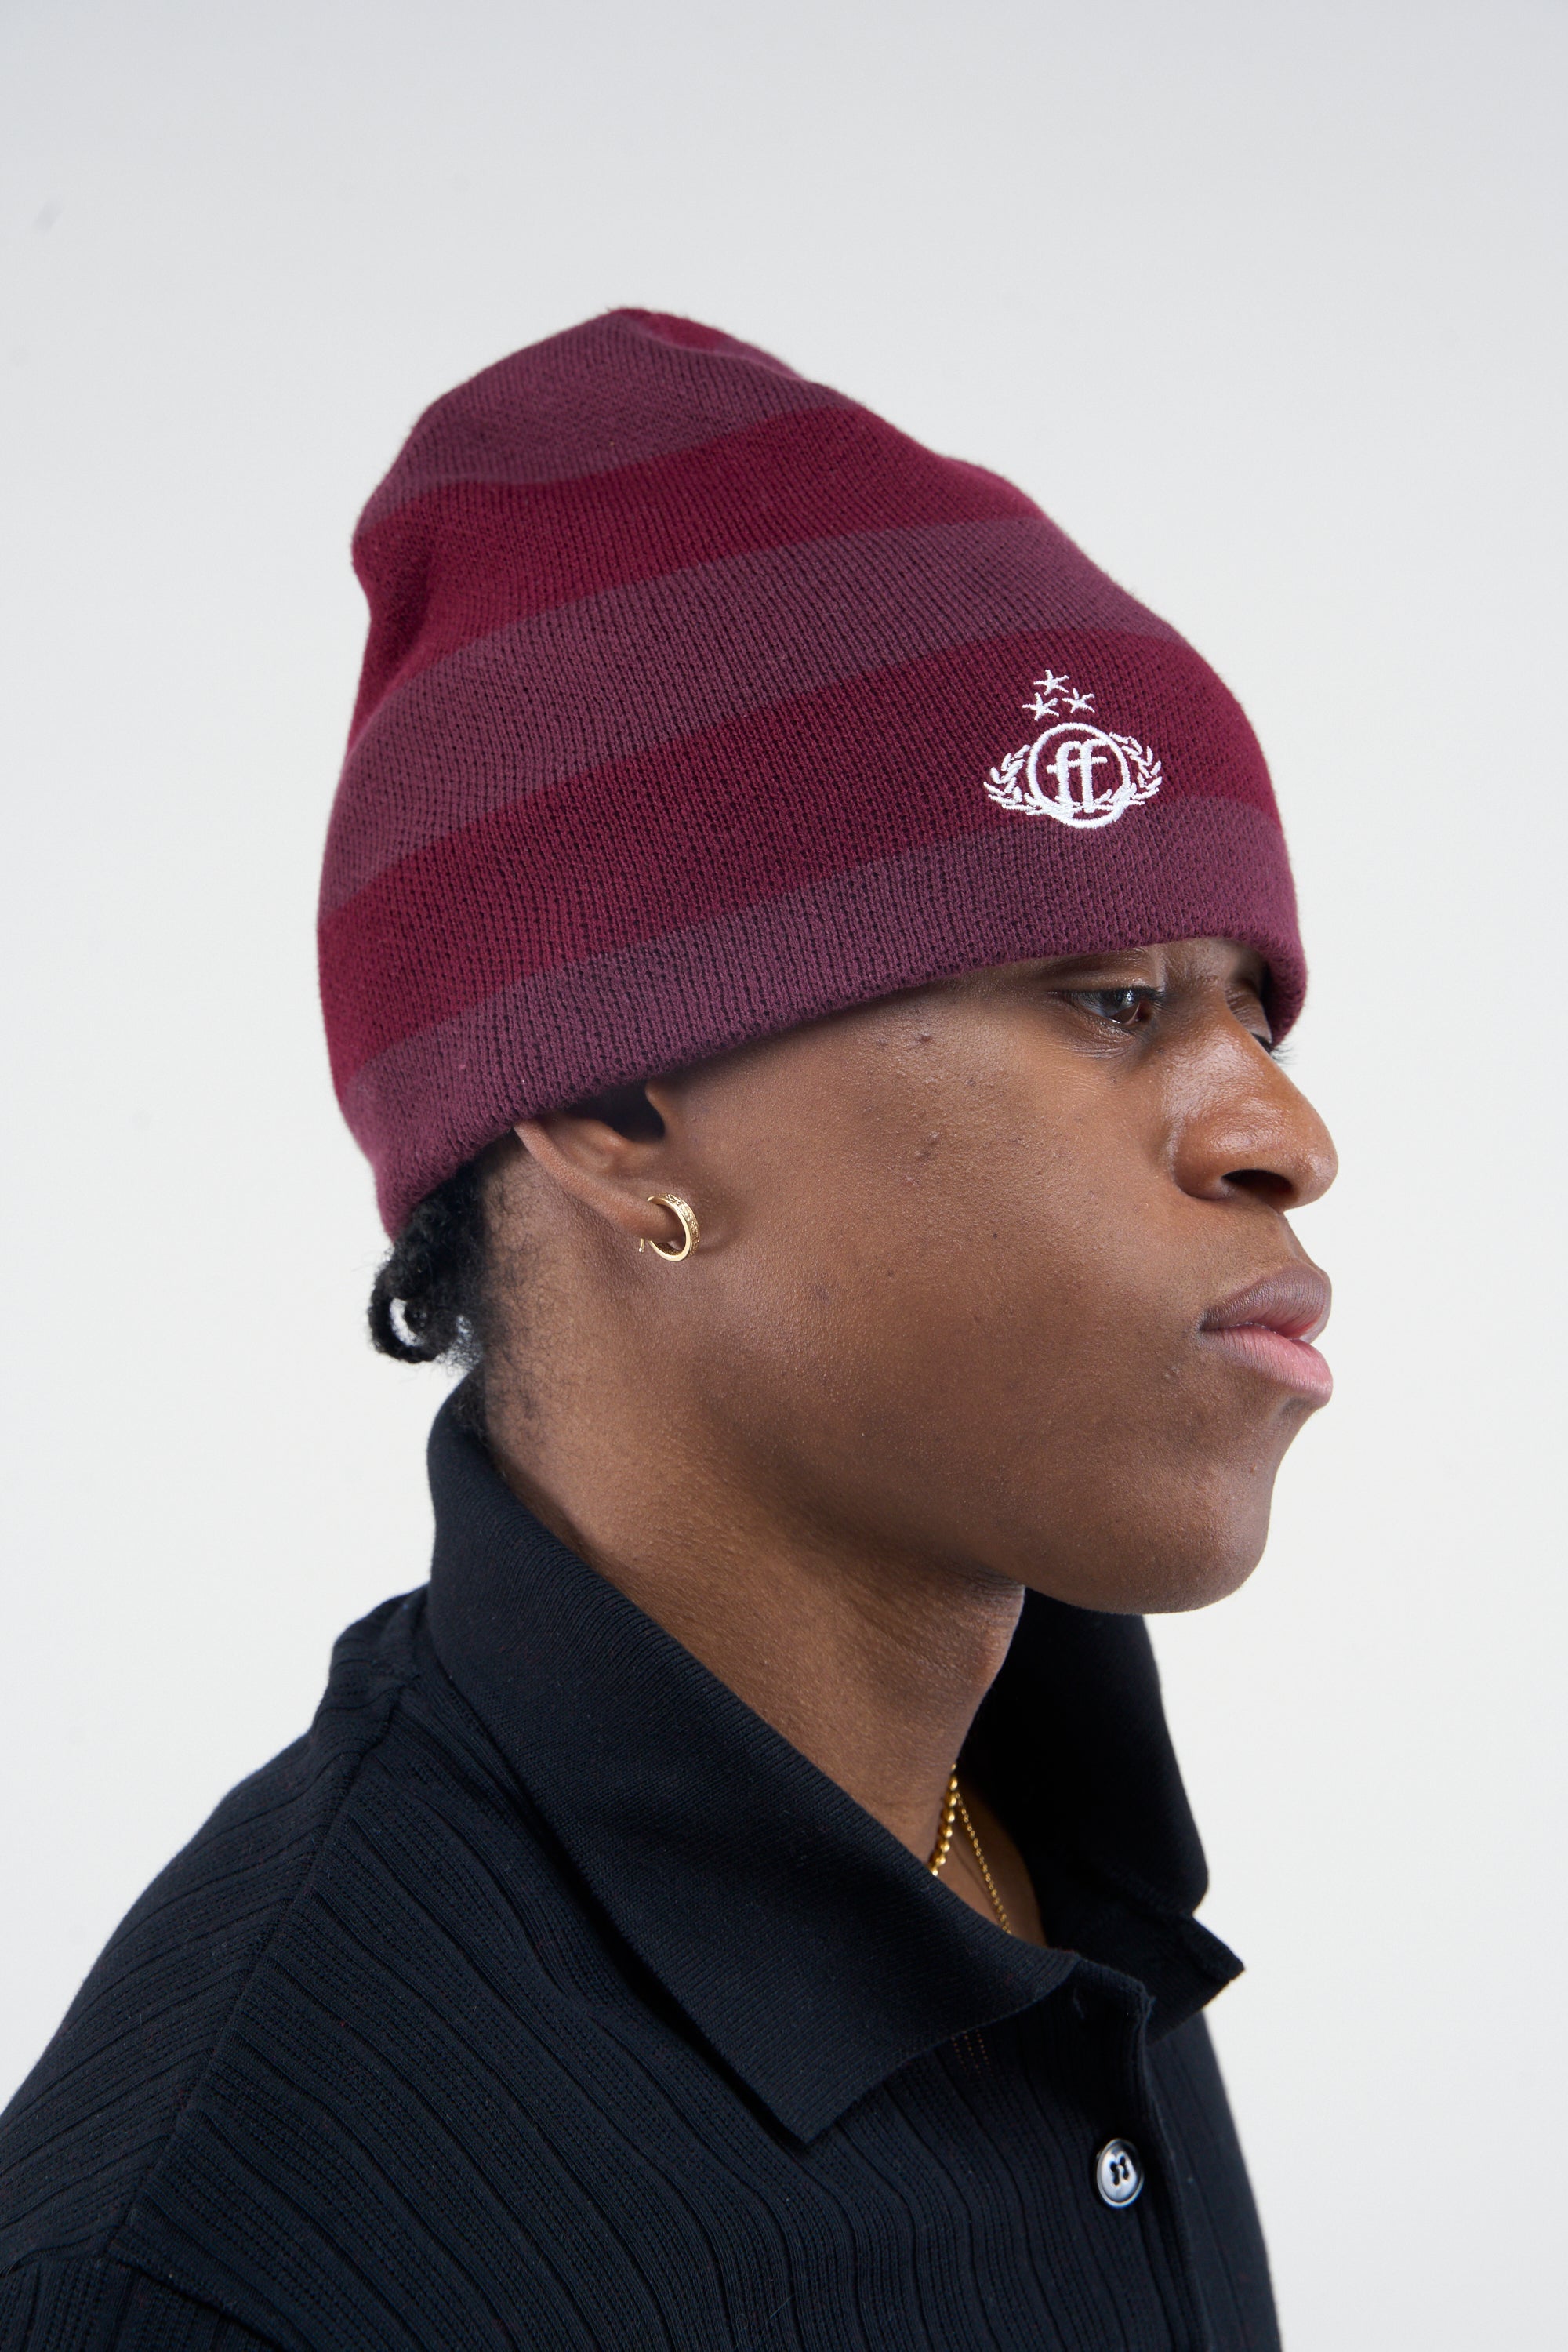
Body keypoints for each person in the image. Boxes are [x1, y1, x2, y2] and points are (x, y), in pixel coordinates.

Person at [0, 311, 1335, 2351]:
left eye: (1258, 1008)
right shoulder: (217, 2264)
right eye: (1110, 1000)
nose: (1286, 1137)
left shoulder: (1040, 1861)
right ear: (619, 1112)